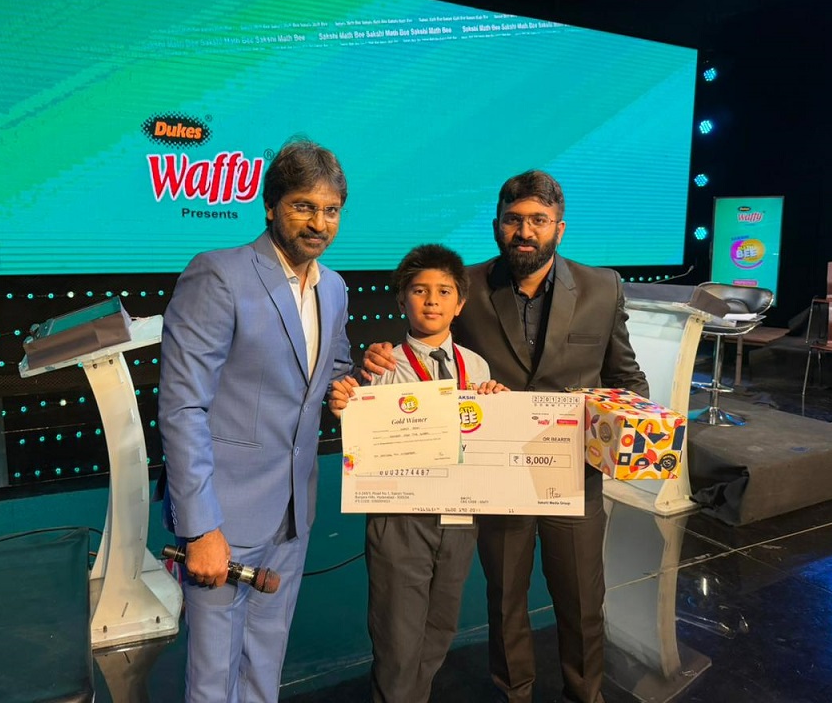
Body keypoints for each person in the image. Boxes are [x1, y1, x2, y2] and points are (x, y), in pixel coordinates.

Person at [364, 170, 648, 703]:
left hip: (572, 474)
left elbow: (626, 379)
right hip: (493, 477)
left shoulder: (602, 287)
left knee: (583, 601)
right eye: (514, 220)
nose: (525, 231)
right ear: (497, 225)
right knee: (504, 601)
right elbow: (428, 345)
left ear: (559, 227)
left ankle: (585, 695)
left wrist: (629, 429)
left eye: (539, 220)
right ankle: (514, 693)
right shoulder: (466, 287)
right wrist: (379, 355)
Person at [158, 137, 355, 703]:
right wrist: (201, 528)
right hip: (224, 516)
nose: (318, 223)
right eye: (303, 206)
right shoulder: (218, 275)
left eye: (331, 210)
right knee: (213, 677)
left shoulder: (334, 288)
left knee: (265, 663)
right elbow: (182, 407)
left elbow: (333, 370)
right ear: (270, 206)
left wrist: (355, 381)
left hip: (293, 511)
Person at [330, 243, 507, 703]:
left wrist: (497, 406)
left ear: (460, 303)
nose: (431, 301)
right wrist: (346, 403)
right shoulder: (381, 366)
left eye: (444, 291)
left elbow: (484, 435)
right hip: (401, 516)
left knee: (440, 627)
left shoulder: (476, 365)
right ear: (401, 300)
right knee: (397, 638)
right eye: (419, 290)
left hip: (460, 515)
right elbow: (357, 426)